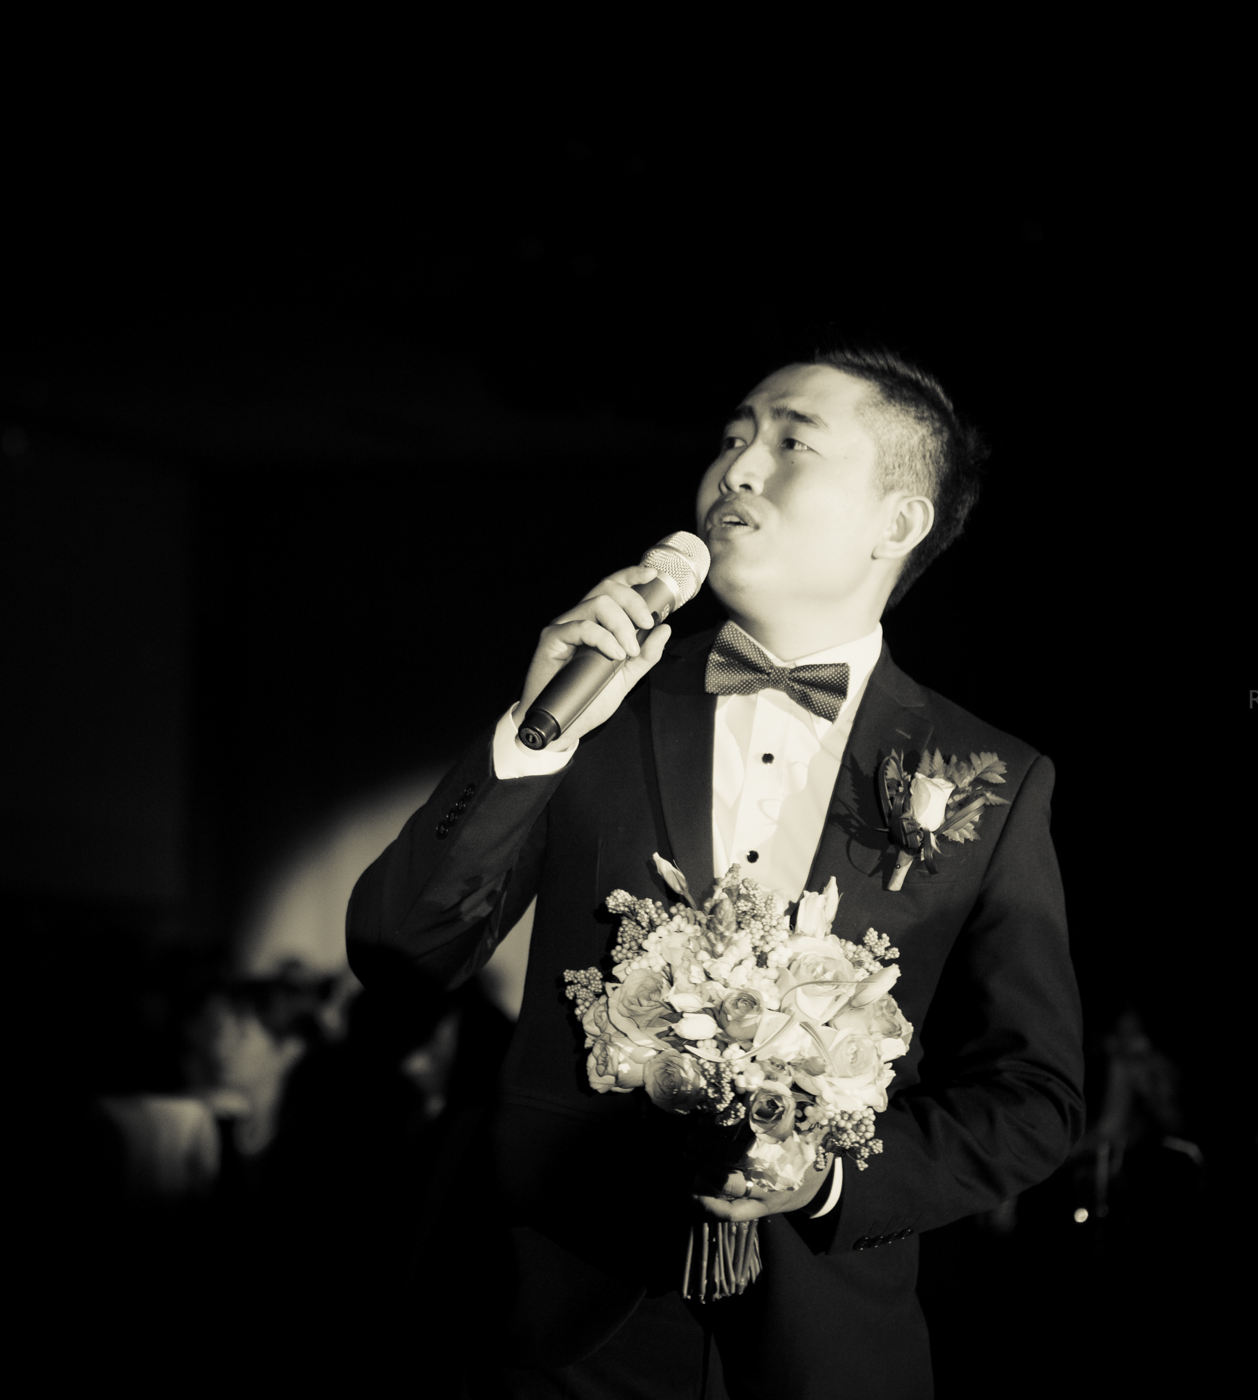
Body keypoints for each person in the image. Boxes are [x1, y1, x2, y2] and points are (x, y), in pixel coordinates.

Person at [349, 346, 1085, 1399]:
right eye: (734, 437)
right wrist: (534, 732)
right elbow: (399, 952)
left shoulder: (990, 777)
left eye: (791, 442)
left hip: (826, 1341)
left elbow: (1034, 1095)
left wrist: (825, 1176)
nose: (738, 467)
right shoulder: (605, 704)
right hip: (563, 1317)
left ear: (897, 522)